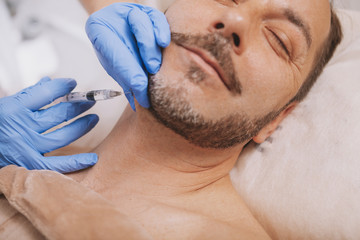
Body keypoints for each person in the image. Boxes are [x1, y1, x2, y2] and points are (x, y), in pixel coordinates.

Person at [0, 0, 343, 239]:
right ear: (160, 14)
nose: (234, 22)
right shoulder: (21, 147)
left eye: (279, 41)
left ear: (277, 120)